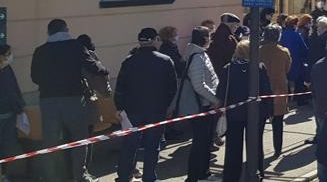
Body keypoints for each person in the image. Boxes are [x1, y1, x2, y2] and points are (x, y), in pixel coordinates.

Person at [31, 19, 108, 182]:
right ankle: (78, 176)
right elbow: (93, 67)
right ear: (66, 30)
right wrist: (104, 69)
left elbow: (35, 77)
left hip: (48, 101)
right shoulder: (76, 46)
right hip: (73, 100)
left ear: (49, 33)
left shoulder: (40, 51)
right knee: (79, 140)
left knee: (50, 142)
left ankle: (50, 177)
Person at [114, 28, 178, 182]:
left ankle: (123, 176)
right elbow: (172, 87)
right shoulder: (165, 60)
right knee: (152, 146)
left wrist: (120, 108)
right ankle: (149, 177)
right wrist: (167, 106)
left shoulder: (128, 61)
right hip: (156, 110)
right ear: (155, 39)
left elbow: (120, 87)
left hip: (132, 111)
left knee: (129, 145)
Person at [218, 40, 274, 182]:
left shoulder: (228, 69)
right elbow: (267, 91)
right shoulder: (259, 67)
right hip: (256, 113)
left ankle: (231, 176)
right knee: (255, 145)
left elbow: (221, 92)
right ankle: (256, 172)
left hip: (234, 114)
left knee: (233, 147)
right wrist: (270, 111)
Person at [176, 26, 222, 182]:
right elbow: (199, 85)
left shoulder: (199, 54)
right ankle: (196, 176)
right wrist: (215, 100)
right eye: (209, 36)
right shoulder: (196, 57)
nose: (211, 39)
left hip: (204, 104)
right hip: (202, 106)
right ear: (204, 39)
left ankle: (204, 173)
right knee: (200, 143)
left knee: (204, 141)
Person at [259, 25, 292, 156]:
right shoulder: (283, 52)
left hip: (261, 90)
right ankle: (277, 149)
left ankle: (257, 151)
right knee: (278, 123)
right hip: (278, 89)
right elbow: (287, 69)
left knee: (259, 124)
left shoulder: (258, 51)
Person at [0, 44, 25, 182]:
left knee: (7, 147)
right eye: (8, 54)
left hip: (9, 116)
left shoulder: (7, 69)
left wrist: (20, 107)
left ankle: (4, 174)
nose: (10, 56)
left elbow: (14, 89)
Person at [281, 16, 311, 107]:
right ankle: (300, 100)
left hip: (284, 61)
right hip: (296, 60)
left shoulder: (282, 34)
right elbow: (303, 48)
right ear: (294, 24)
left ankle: (286, 100)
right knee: (299, 81)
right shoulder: (296, 35)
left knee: (285, 80)